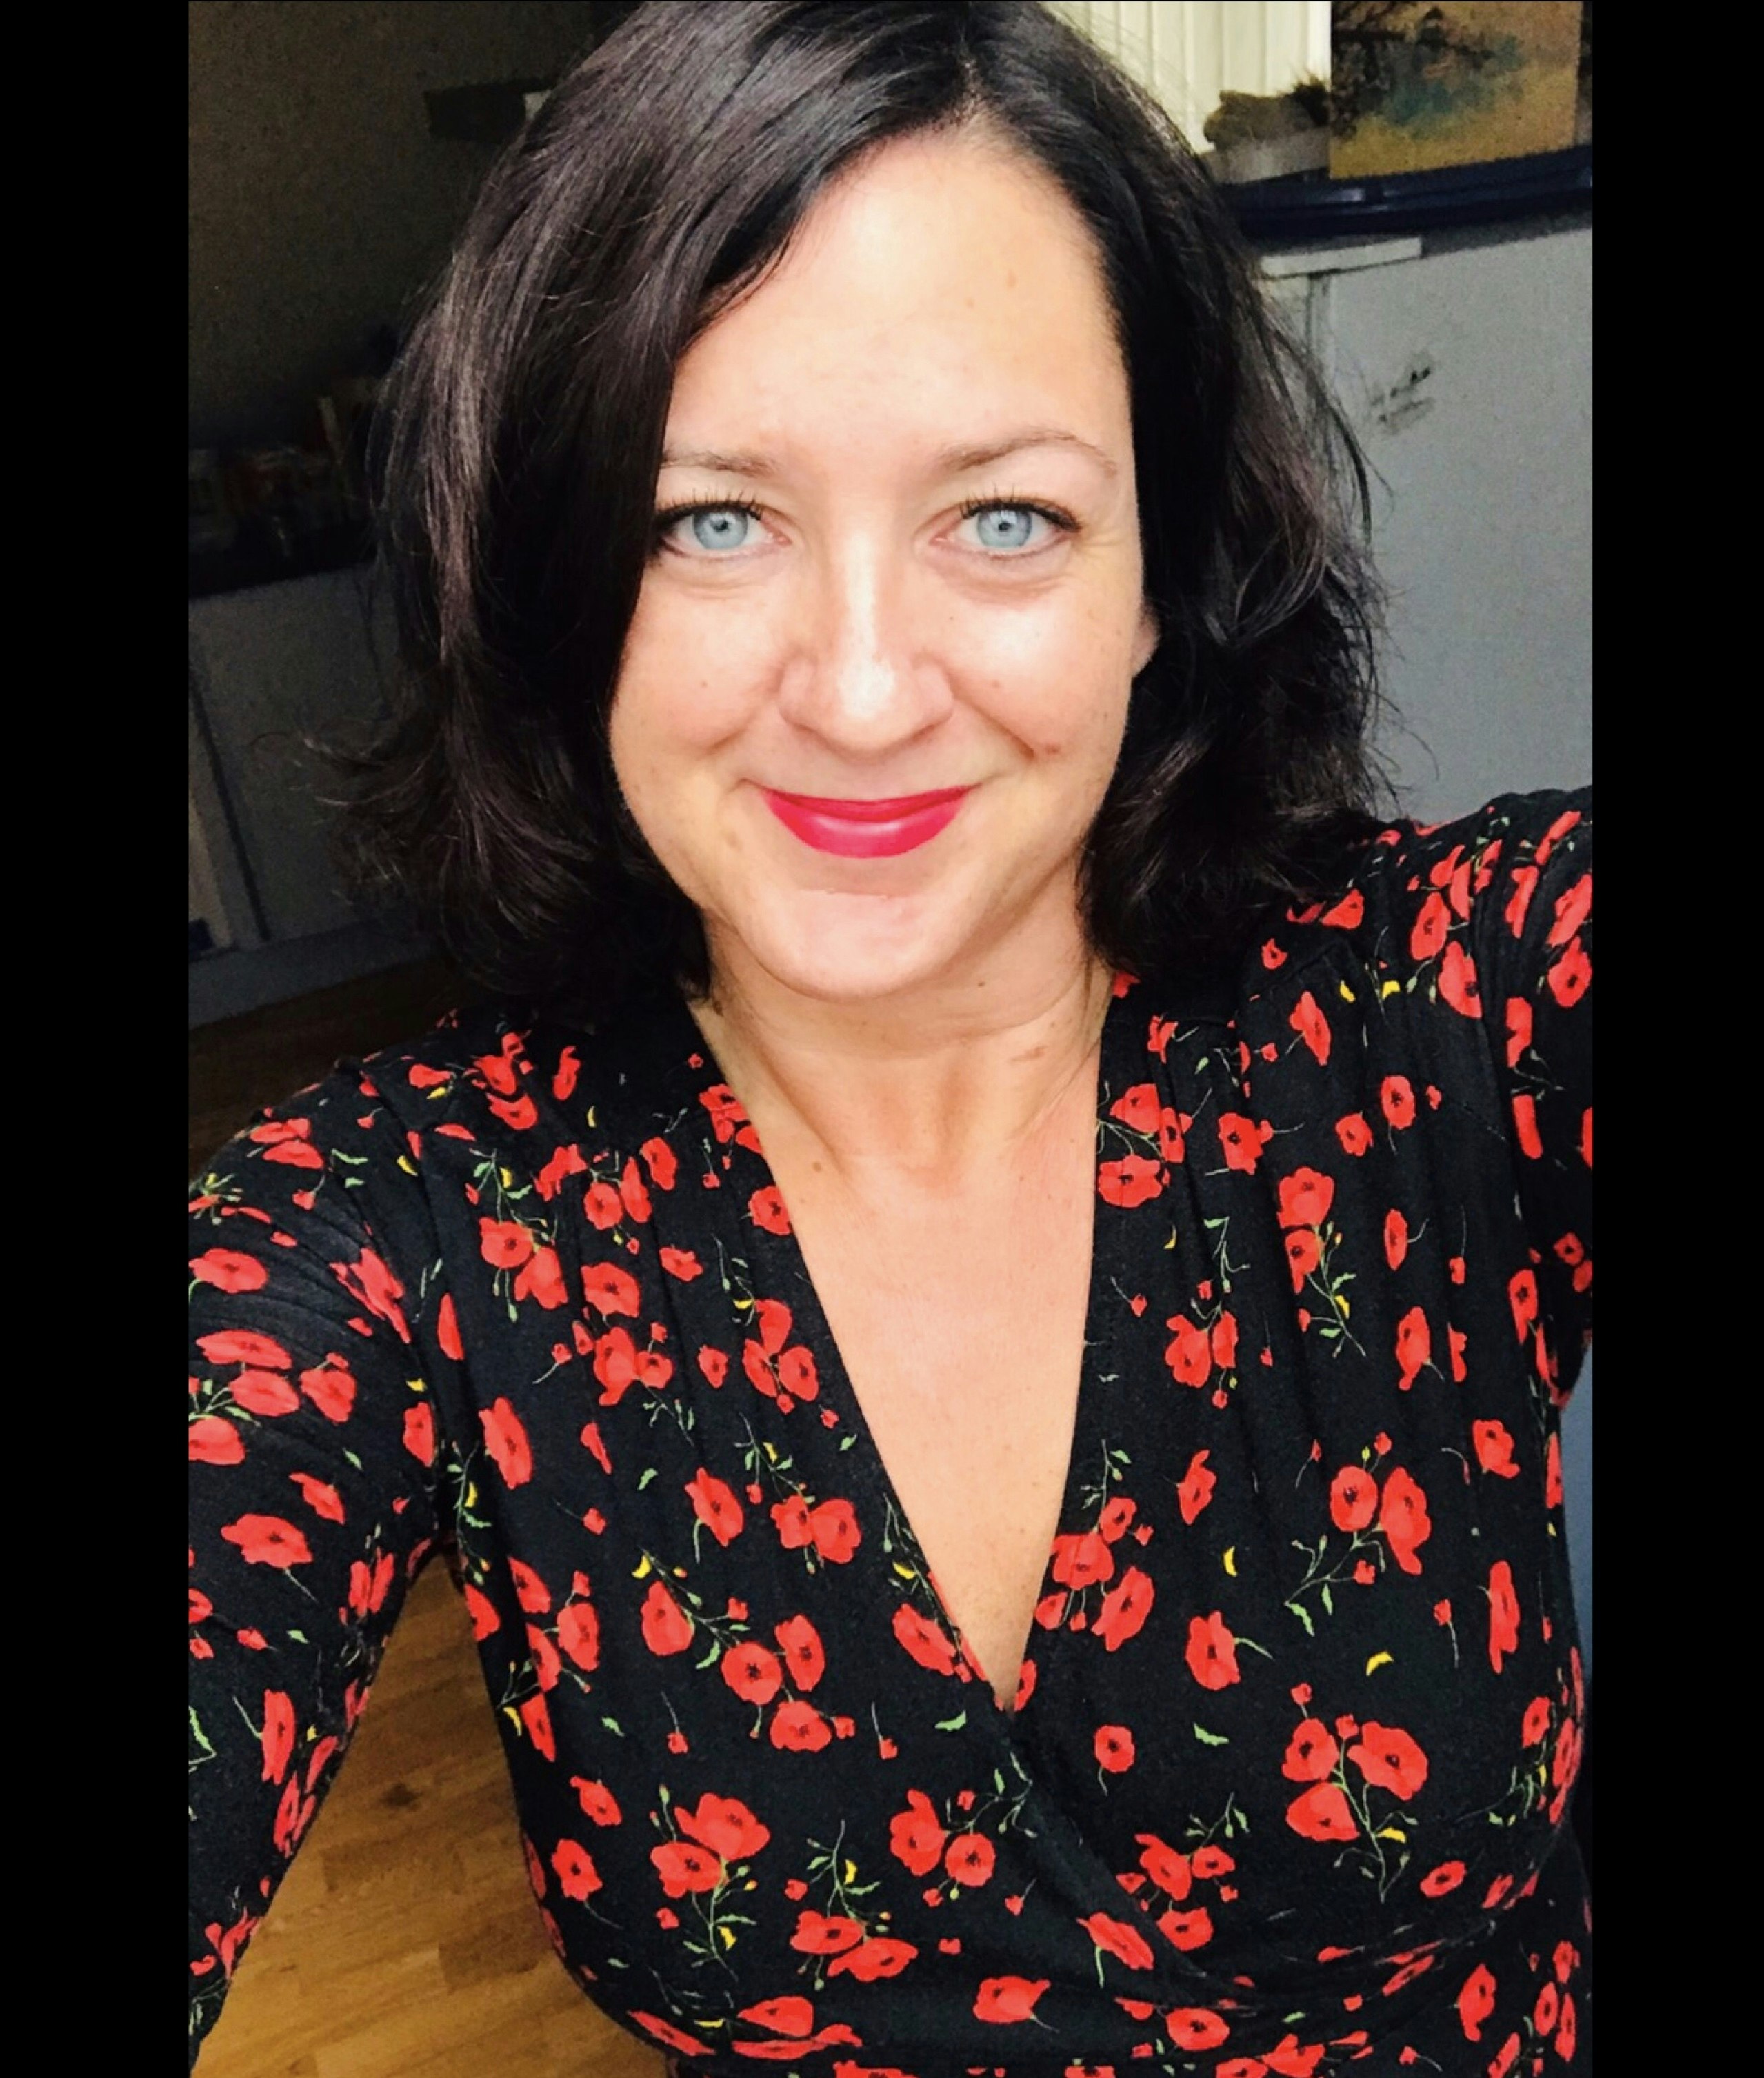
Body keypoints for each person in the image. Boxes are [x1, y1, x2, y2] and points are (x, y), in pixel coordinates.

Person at [188, 5, 1592, 2072]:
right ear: (563, 583)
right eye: (710, 521)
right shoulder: (407, 1230)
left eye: (1004, 515)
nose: (857, 694)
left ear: (1155, 578)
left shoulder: (1455, 1016)